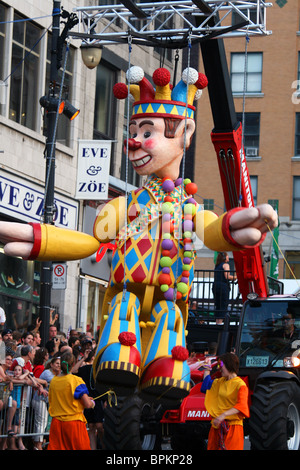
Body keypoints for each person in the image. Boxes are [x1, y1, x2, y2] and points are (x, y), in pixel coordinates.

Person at [0, 66, 278, 402]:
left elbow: (212, 229)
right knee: (124, 306)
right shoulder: (127, 205)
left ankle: (166, 364)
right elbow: (91, 241)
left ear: (185, 132)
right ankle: (118, 357)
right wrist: (41, 240)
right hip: (128, 288)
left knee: (170, 315)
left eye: (148, 133)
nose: (134, 141)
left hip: (169, 295)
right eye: (134, 130)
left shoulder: (188, 207)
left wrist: (234, 227)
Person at [201, 352, 249, 450]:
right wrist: (207, 369)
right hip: (217, 427)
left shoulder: (240, 385)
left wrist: (223, 415)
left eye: (221, 365)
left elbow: (242, 406)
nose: (219, 368)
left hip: (233, 428)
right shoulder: (220, 381)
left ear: (229, 365)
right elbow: (205, 386)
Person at [47, 351, 95, 450]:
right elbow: (87, 404)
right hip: (73, 423)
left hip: (56, 423)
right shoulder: (76, 380)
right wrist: (92, 403)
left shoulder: (53, 381)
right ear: (73, 364)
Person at [75, 348, 105, 449]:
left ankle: (104, 446)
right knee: (91, 426)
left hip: (99, 399)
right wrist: (83, 358)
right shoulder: (85, 369)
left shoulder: (102, 369)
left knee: (100, 426)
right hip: (88, 400)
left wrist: (105, 400)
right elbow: (74, 370)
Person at [31, 356, 61, 450]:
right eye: (57, 363)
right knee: (41, 422)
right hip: (39, 399)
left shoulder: (58, 374)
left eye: (60, 364)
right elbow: (56, 382)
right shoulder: (47, 372)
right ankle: (38, 444)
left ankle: (38, 442)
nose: (59, 365)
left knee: (43, 423)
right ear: (51, 364)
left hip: (46, 401)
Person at [213, 252, 237, 324]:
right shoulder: (226, 265)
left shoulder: (217, 266)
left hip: (215, 285)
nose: (228, 258)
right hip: (223, 286)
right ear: (224, 258)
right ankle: (220, 322)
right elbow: (227, 277)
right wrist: (235, 277)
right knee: (223, 304)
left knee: (218, 304)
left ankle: (217, 322)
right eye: (227, 256)